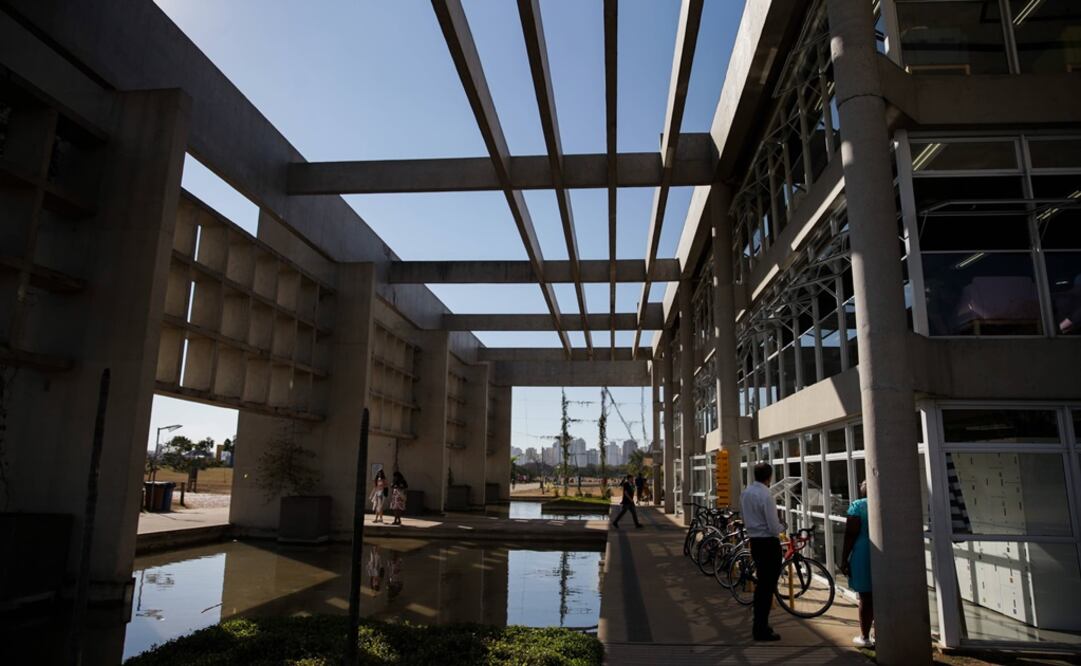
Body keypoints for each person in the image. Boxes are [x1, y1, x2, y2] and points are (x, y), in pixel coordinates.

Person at [740, 462, 783, 641]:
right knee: (767, 588)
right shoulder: (766, 495)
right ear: (769, 477)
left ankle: (760, 624)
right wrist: (783, 525)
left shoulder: (746, 493)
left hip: (755, 542)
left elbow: (744, 516)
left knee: (762, 587)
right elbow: (773, 527)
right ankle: (761, 628)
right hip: (768, 543)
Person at [840, 480, 874, 648]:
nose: (860, 484)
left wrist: (844, 558)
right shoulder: (886, 502)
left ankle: (865, 636)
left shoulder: (858, 506)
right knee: (880, 595)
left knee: (866, 597)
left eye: (862, 482)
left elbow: (850, 534)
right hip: (884, 552)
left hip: (862, 552)